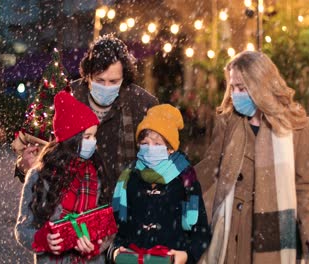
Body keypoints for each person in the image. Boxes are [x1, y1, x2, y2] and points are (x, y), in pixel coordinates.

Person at [195, 51, 309, 264]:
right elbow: (210, 170)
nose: (235, 94)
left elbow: (306, 185)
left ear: (261, 86)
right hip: (232, 229)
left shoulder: (295, 126)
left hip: (274, 228)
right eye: (233, 87)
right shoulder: (228, 122)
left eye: (242, 88)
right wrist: (177, 182)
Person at [15, 34, 158, 204]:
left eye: (113, 81)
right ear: (87, 76)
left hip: (126, 209)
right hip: (73, 209)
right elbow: (40, 158)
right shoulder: (66, 99)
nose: (106, 87)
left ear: (124, 78)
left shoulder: (142, 104)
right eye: (100, 80)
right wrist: (25, 167)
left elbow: (159, 161)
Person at [107, 104, 211, 264]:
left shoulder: (185, 181)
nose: (150, 148)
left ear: (170, 149)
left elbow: (201, 232)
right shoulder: (129, 178)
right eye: (145, 143)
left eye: (157, 144)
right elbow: (116, 231)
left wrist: (187, 255)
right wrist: (114, 252)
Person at [15, 91, 110, 263]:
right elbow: (22, 230)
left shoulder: (97, 172)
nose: (93, 142)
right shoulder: (39, 176)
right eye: (87, 136)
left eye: (94, 136)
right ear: (71, 140)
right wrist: (43, 239)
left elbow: (108, 227)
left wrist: (95, 245)